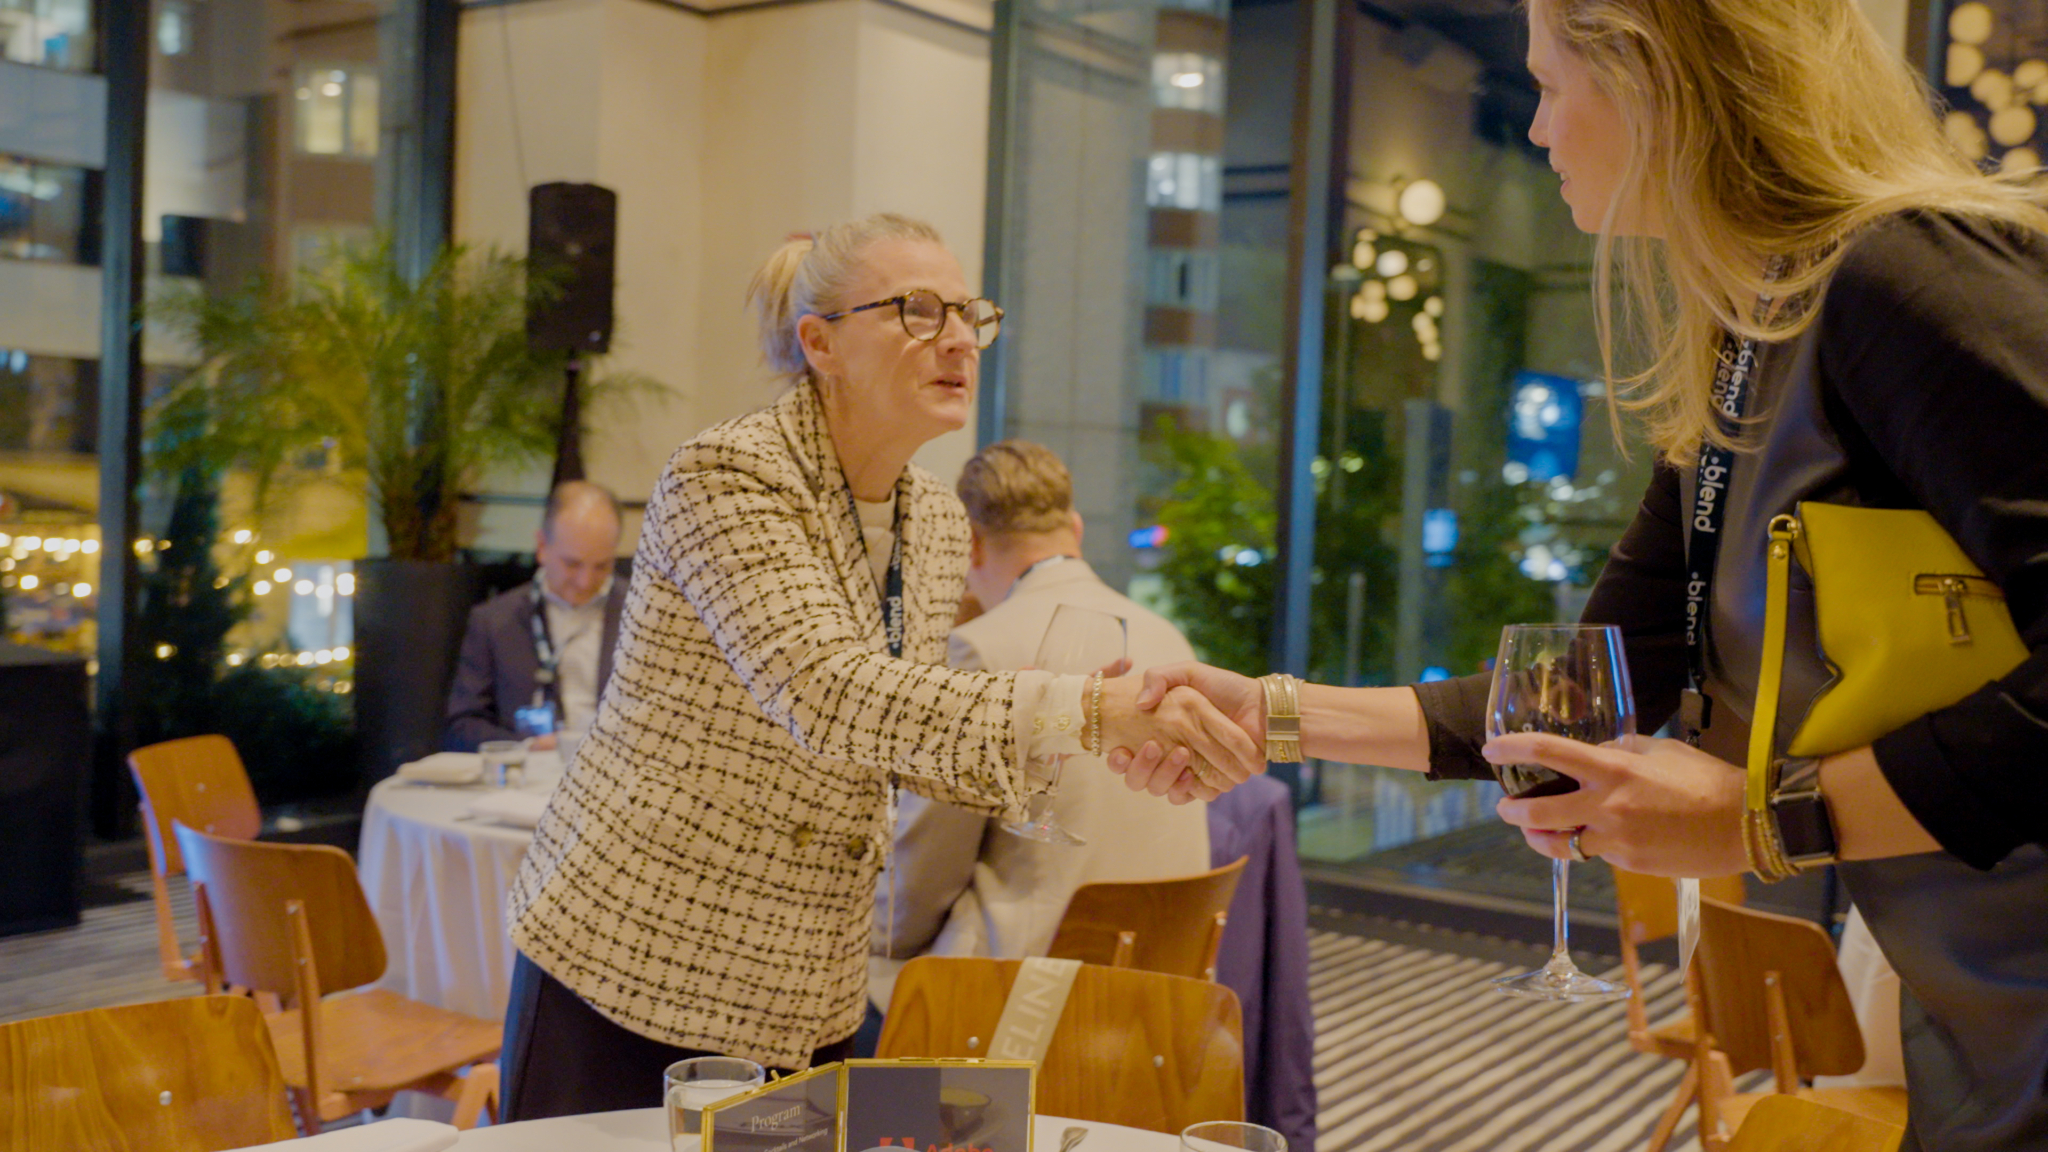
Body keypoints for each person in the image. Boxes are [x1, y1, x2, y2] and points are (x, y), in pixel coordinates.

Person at [1117, 2, 2048, 1147]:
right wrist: (1269, 715)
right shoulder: (1750, 339)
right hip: (1979, 1022)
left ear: (1658, 79)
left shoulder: (1898, 274)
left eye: (1552, 87)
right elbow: (1591, 690)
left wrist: (1767, 823)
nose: (1541, 130)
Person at [498, 213, 1260, 1120]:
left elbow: (904, 732)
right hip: (635, 960)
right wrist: (1089, 711)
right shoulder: (728, 477)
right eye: (919, 311)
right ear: (819, 342)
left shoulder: (935, 522)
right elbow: (827, 695)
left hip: (805, 982)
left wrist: (1103, 753)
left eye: (970, 316)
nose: (958, 342)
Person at [868, 440, 1210, 1003]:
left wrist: (872, 932)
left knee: (850, 985)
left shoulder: (977, 650)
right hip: (1161, 987)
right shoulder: (1166, 636)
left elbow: (919, 883)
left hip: (1026, 994)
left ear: (971, 545)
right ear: (1074, 528)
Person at [443, 480, 627, 752]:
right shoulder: (494, 621)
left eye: (602, 566)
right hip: (527, 778)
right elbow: (462, 726)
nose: (585, 581)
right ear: (542, 546)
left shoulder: (642, 615)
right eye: (572, 564)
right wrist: (527, 746)